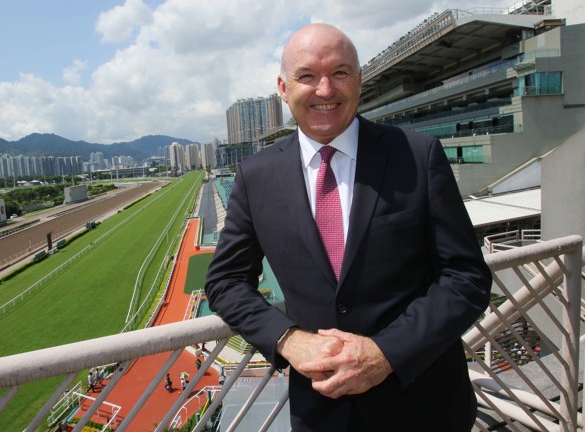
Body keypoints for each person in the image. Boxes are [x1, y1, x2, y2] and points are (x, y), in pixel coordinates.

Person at [205, 23, 492, 431]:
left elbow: (467, 277)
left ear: (359, 81)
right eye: (307, 76)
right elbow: (226, 282)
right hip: (321, 412)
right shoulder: (256, 176)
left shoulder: (417, 154)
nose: (325, 90)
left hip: (425, 405)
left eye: (339, 73)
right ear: (284, 89)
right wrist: (288, 339)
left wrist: (386, 352)